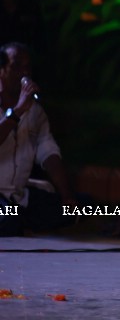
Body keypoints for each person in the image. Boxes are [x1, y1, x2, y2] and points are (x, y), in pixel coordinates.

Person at [0, 42, 79, 235]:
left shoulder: (35, 112)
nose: (24, 73)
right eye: (17, 66)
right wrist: (17, 111)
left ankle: (23, 220)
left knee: (79, 207)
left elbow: (49, 153)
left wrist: (66, 196)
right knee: (9, 220)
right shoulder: (22, 108)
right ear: (1, 70)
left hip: (17, 196)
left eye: (27, 67)